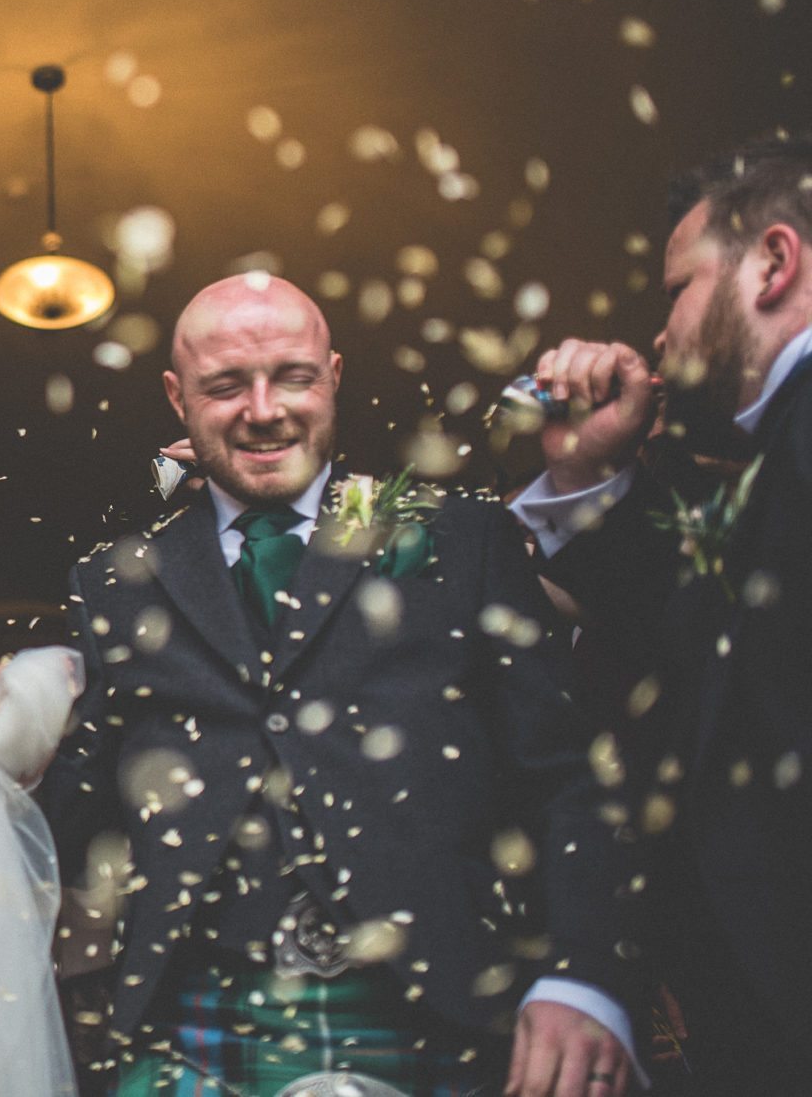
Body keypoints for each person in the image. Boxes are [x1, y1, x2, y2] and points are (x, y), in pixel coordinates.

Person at [39, 274, 641, 1097]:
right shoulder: (114, 582)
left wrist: (583, 975)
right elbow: (76, 813)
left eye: (293, 376)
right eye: (225, 385)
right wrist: (2, 745)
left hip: (440, 1012)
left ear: (334, 375)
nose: (263, 409)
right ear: (177, 398)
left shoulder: (460, 541)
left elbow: (564, 777)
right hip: (189, 1031)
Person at [510, 132, 812, 1089]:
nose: (664, 330)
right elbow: (713, 648)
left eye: (680, 287)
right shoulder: (777, 463)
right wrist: (591, 469)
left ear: (774, 260)